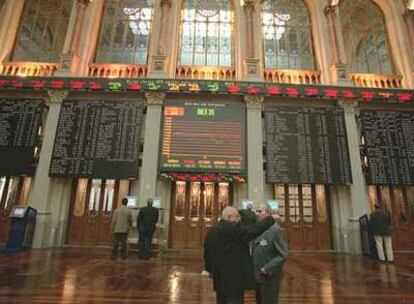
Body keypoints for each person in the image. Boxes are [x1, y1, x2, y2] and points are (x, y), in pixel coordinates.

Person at [204, 206, 276, 304]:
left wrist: (210, 270)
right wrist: (270, 219)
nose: (239, 219)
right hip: (234, 282)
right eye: (237, 217)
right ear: (229, 218)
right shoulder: (232, 228)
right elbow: (254, 230)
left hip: (219, 280)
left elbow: (207, 253)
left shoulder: (212, 231)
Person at [253, 204, 289, 304]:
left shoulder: (275, 230)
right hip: (258, 277)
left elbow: (283, 253)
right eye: (257, 211)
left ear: (268, 213)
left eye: (260, 211)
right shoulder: (257, 228)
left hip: (269, 277)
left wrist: (267, 268)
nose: (257, 214)